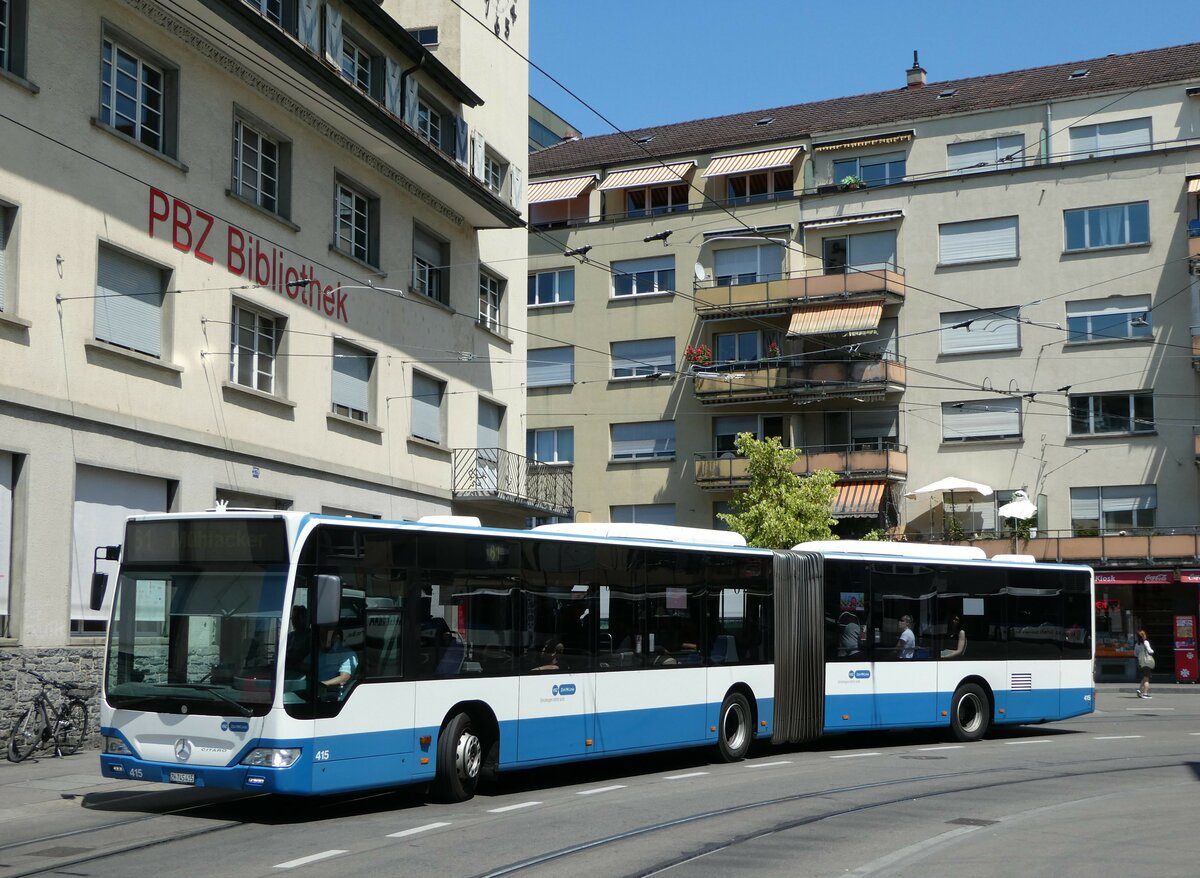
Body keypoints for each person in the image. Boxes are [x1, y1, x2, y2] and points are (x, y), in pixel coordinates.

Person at [318, 628, 359, 698]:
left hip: (334, 695)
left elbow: (344, 678)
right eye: (321, 636)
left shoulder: (347, 654)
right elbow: (305, 665)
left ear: (336, 638)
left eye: (324, 636)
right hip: (315, 691)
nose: (321, 639)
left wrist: (322, 684)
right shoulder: (320, 651)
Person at [1134, 629, 1155, 698]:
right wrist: (1152, 651)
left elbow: (1135, 654)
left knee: (1144, 677)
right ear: (1143, 636)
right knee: (1147, 679)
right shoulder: (1146, 642)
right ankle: (1145, 694)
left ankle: (1139, 690)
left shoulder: (1137, 644)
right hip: (1147, 662)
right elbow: (1150, 651)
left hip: (1141, 663)